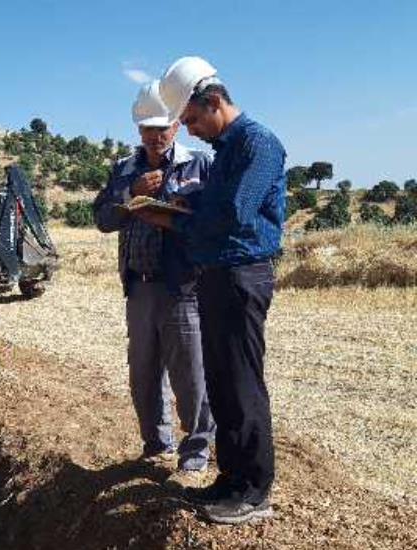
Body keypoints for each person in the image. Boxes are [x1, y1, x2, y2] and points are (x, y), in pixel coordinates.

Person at [142, 56, 286, 524]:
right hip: (218, 274)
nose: (190, 130)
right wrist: (186, 202)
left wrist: (176, 219)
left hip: (242, 274)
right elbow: (218, 202)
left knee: (242, 383)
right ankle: (231, 479)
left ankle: (254, 491)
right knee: (222, 383)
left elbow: (235, 214)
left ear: (215, 101)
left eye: (191, 120)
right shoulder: (227, 149)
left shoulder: (258, 143)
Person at [93, 80, 214, 480]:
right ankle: (157, 443)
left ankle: (196, 450)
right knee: (143, 373)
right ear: (139, 128)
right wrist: (129, 195)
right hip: (139, 286)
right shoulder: (124, 170)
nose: (155, 136)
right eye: (148, 129)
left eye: (163, 128)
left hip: (183, 287)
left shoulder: (199, 165)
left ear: (177, 126)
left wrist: (179, 209)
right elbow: (102, 219)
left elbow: (213, 220)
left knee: (190, 374)